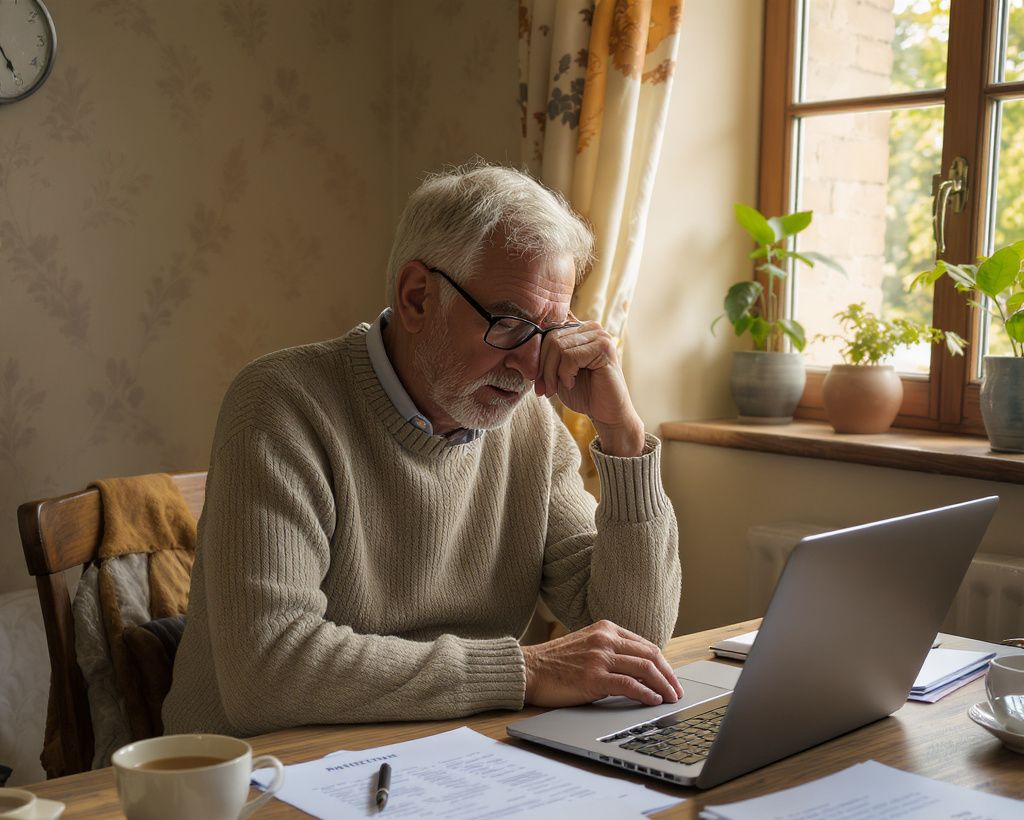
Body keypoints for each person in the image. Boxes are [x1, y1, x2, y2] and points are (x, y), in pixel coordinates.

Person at [162, 161, 682, 737]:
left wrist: (625, 439)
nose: (532, 365)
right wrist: (524, 671)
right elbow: (268, 672)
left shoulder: (532, 425)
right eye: (509, 324)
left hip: (450, 759)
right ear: (416, 297)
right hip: (263, 780)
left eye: (549, 331)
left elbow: (635, 642)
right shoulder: (282, 405)